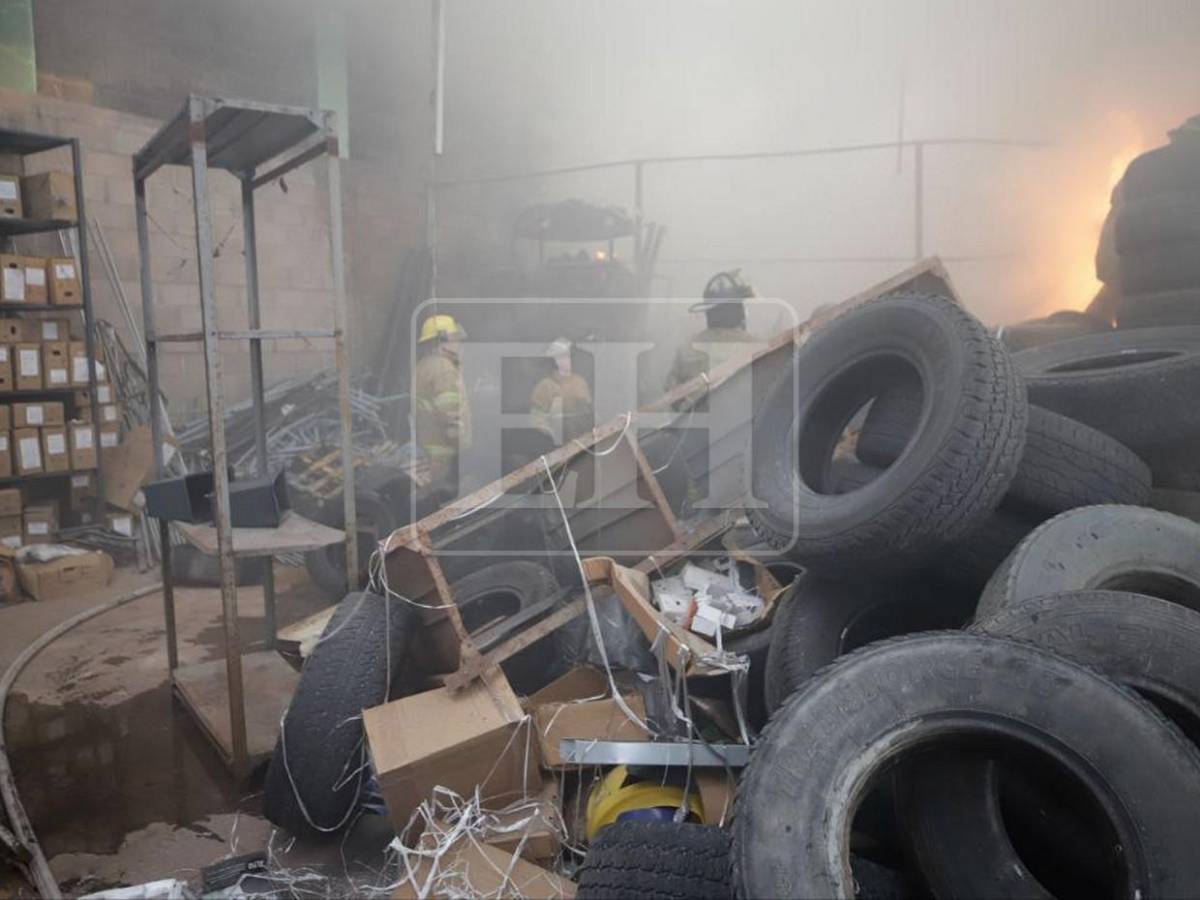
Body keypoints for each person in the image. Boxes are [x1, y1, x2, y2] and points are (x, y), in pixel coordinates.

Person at [665, 269, 758, 397]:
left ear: (709, 312)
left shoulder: (687, 348)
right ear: (739, 310)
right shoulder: (758, 349)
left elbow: (671, 392)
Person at [413, 313, 469, 491]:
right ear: (441, 341)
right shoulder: (444, 369)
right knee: (446, 502)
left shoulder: (423, 366)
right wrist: (463, 451)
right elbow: (451, 416)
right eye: (454, 338)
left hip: (427, 448)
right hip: (445, 454)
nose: (458, 342)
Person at [530, 337, 594, 445]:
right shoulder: (545, 386)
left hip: (584, 443)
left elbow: (589, 412)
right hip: (557, 446)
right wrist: (551, 433)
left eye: (568, 356)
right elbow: (537, 417)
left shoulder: (580, 382)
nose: (567, 360)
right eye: (562, 357)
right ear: (555, 360)